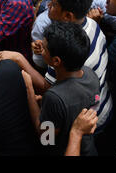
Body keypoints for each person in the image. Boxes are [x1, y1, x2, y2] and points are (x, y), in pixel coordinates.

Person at [21, 21, 100, 155]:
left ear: (56, 61)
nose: (41, 49)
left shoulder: (54, 97)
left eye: (44, 48)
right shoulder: (90, 74)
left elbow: (47, 138)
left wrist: (29, 89)